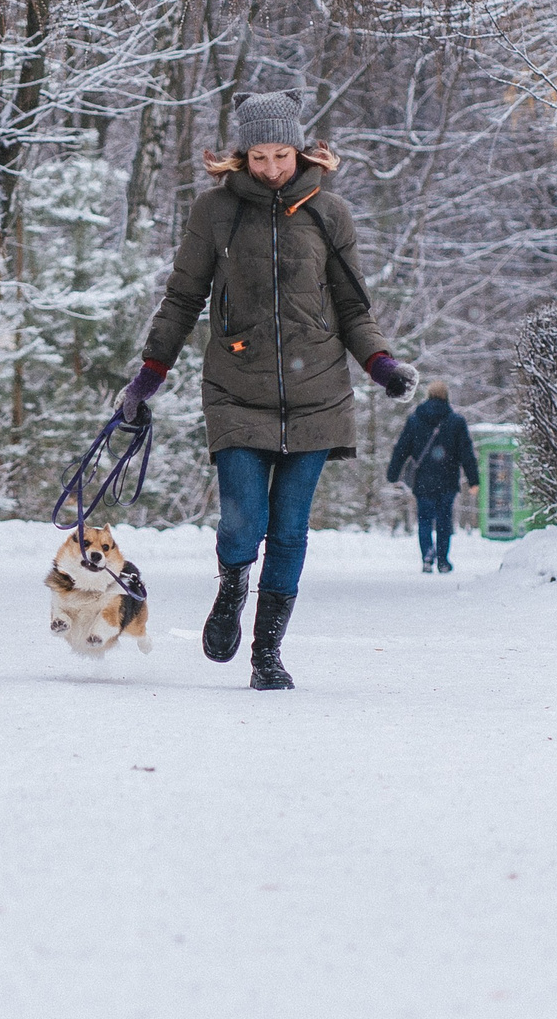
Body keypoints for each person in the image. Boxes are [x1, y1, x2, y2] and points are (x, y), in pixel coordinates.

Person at [115, 93, 417, 690]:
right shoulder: (215, 212)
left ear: (299, 150)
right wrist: (151, 371)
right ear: (242, 155)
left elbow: (353, 306)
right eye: (259, 156)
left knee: (289, 531)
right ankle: (232, 586)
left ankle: (267, 654)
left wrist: (381, 364)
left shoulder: (329, 213)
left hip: (319, 395)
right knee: (241, 521)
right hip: (236, 390)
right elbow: (183, 297)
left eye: (282, 154)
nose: (273, 168)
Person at [385, 381, 479, 573]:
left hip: (423, 480)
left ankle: (427, 556)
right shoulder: (456, 422)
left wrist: (393, 473)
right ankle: (442, 560)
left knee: (425, 519)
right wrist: (473, 480)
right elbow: (466, 453)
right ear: (446, 397)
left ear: (428, 396)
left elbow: (401, 449)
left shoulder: (415, 420)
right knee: (444, 519)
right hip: (448, 479)